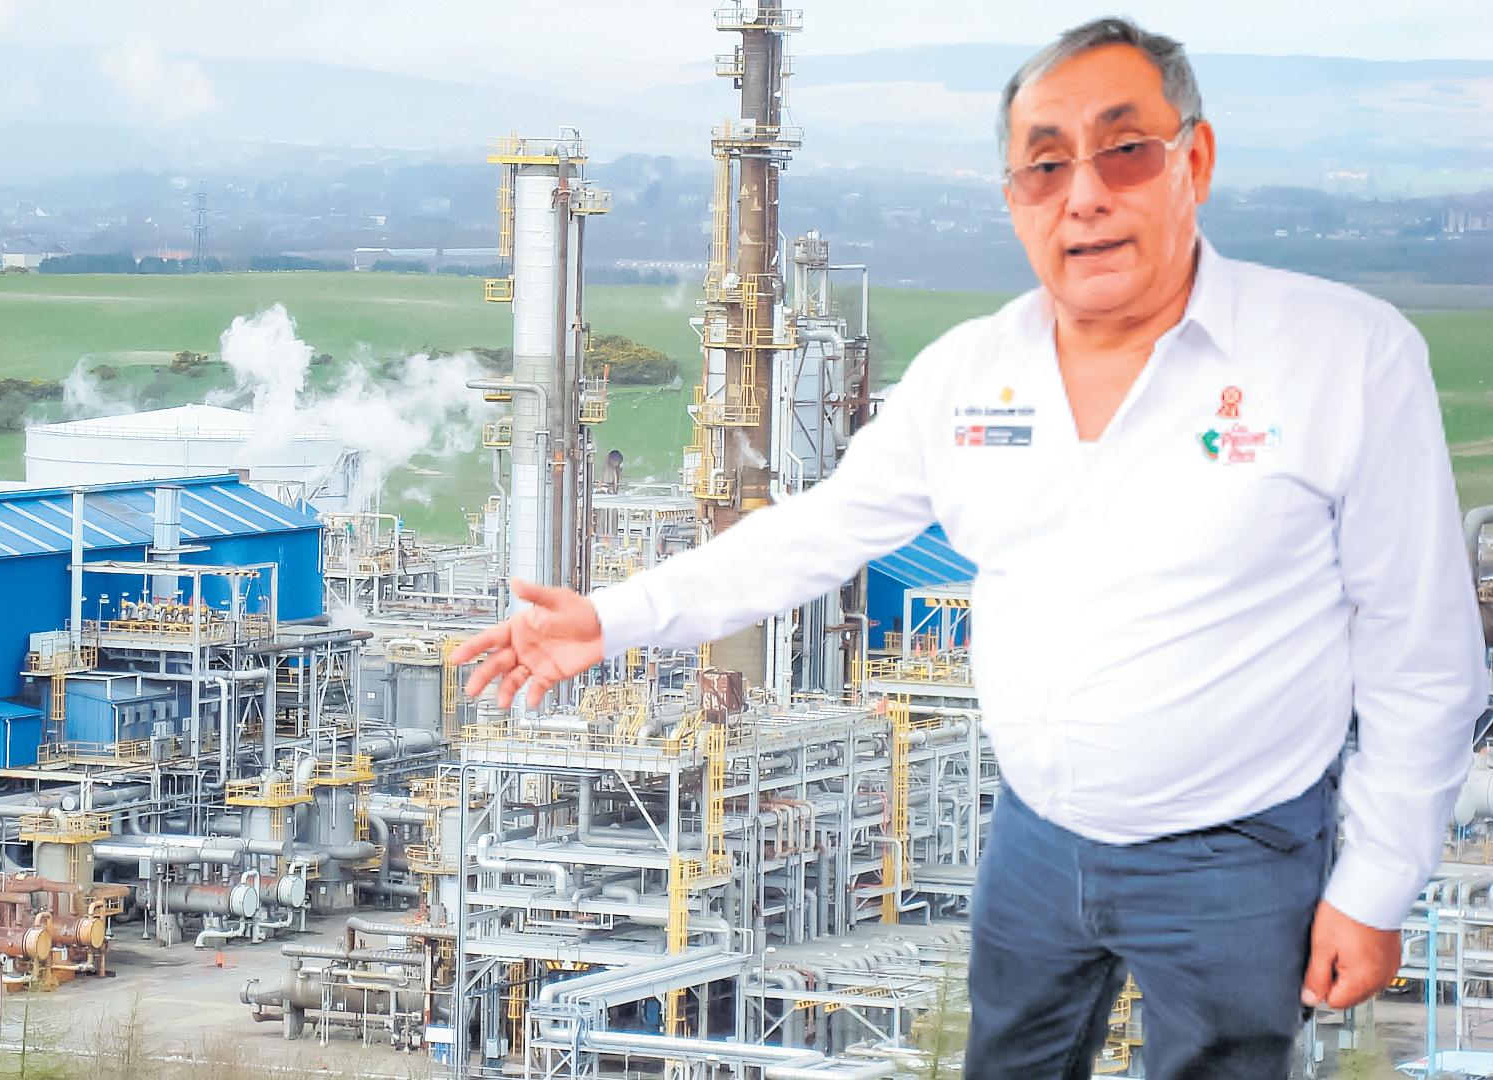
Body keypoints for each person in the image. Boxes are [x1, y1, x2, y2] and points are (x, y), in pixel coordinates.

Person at [452, 17, 1490, 1079]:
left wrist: (1375, 887)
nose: (1083, 195)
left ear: (1196, 159)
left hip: (1233, 854)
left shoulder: (1339, 357)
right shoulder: (971, 375)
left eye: (1124, 150)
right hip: (1033, 841)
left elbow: (1422, 653)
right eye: (1045, 166)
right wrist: (611, 619)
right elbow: (811, 533)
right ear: (1013, 199)